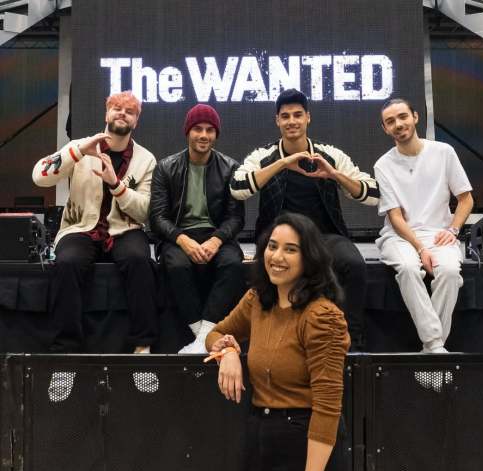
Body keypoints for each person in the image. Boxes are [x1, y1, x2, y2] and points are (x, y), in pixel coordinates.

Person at [205, 212, 350, 471]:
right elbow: (216, 333)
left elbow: (327, 407)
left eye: (290, 250)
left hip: (304, 442)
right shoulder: (258, 299)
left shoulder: (323, 317)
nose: (277, 256)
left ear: (309, 258)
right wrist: (229, 351)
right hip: (258, 438)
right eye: (272, 246)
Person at [230, 88, 378, 351]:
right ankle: (266, 346)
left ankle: (352, 344)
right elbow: (237, 188)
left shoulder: (329, 154)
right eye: (285, 116)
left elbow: (373, 195)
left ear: (308, 117)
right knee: (263, 272)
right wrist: (282, 163)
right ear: (277, 120)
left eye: (298, 115)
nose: (292, 121)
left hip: (324, 237)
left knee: (354, 264)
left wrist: (334, 175)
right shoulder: (264, 155)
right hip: (278, 239)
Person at [32, 90, 158, 354]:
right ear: (106, 114)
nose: (122, 114)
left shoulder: (145, 159)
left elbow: (145, 211)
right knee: (67, 262)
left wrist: (117, 186)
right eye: (117, 108)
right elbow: (40, 176)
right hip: (81, 227)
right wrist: (77, 152)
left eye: (130, 112)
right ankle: (66, 349)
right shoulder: (81, 146)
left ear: (136, 121)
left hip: (125, 229)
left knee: (139, 260)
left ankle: (142, 345)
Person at [374, 98, 474, 353]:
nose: (398, 124)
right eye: (390, 121)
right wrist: (420, 248)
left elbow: (466, 199)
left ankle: (430, 350)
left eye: (402, 117)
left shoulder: (443, 152)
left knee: (449, 272)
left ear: (415, 117)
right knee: (408, 268)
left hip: (439, 234)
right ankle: (435, 345)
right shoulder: (383, 165)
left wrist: (452, 230)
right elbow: (395, 217)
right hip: (399, 237)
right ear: (385, 129)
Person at [150, 104, 246, 354]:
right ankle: (203, 337)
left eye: (209, 130)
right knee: (177, 266)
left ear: (216, 134)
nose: (203, 135)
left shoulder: (231, 168)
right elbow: (157, 218)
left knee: (233, 264)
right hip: (178, 235)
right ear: (188, 132)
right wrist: (183, 240)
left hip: (217, 235)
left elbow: (236, 218)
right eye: (198, 129)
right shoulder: (165, 167)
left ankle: (202, 340)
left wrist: (216, 240)